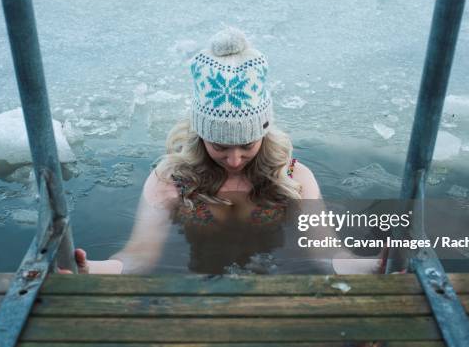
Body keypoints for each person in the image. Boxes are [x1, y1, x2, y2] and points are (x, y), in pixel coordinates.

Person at [61, 27, 378, 275]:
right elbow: (139, 256)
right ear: (201, 135)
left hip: (273, 287)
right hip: (197, 287)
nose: (235, 159)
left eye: (248, 145)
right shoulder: (172, 178)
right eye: (221, 147)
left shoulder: (292, 175)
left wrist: (373, 266)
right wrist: (93, 270)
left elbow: (325, 253)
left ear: (263, 133)